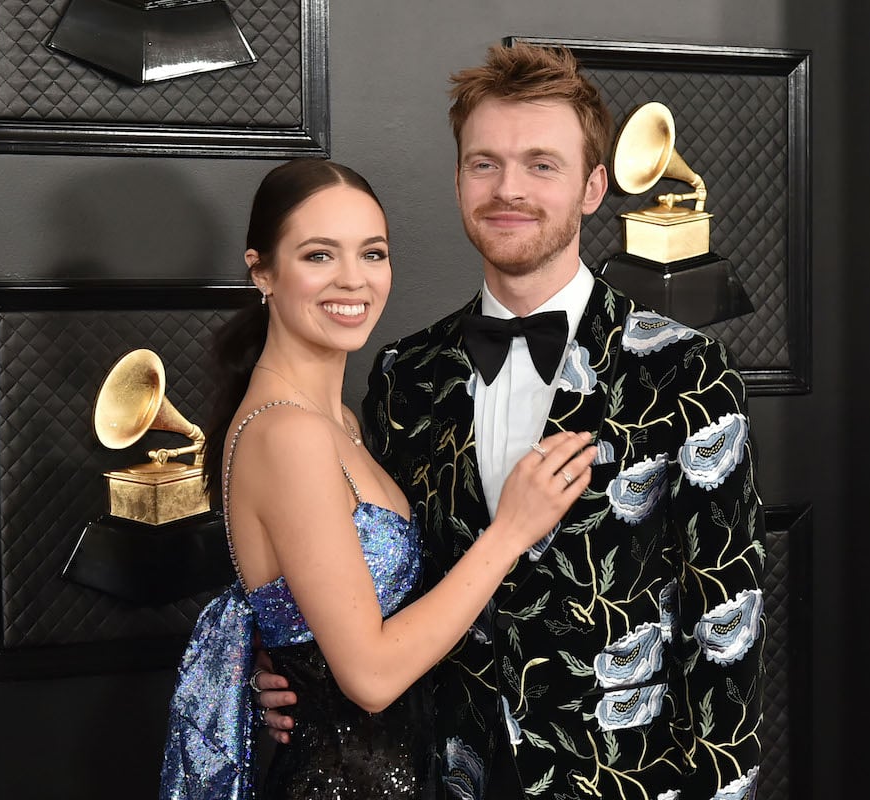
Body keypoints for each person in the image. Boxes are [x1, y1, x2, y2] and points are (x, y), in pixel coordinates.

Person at [256, 44, 766, 800]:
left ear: (594, 187)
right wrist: (300, 671)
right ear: (459, 179)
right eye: (484, 163)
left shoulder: (686, 373)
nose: (508, 190)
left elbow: (726, 623)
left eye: (541, 164)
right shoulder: (405, 373)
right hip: (438, 775)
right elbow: (379, 586)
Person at [157, 158, 597, 800]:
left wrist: (270, 658)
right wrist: (509, 533)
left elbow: (306, 612)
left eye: (373, 253)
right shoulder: (290, 434)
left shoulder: (339, 419)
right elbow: (369, 674)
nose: (353, 281)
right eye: (318, 256)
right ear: (262, 272)